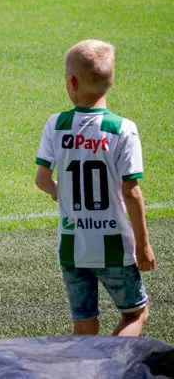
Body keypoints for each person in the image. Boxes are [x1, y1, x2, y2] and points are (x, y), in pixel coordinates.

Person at [34, 39, 155, 336]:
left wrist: (56, 191)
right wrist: (143, 245)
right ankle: (110, 369)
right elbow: (132, 192)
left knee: (84, 325)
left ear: (72, 81)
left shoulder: (56, 124)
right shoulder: (122, 128)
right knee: (135, 313)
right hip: (113, 245)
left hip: (72, 245)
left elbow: (41, 179)